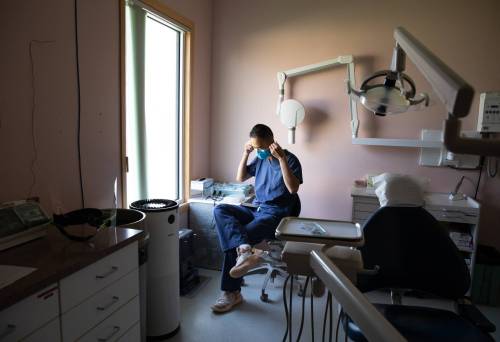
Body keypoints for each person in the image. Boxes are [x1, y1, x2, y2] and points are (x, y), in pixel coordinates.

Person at [211, 124, 303, 313]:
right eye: (255, 147)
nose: (259, 151)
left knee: (237, 236)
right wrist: (246, 154)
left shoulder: (290, 159)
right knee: (221, 210)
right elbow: (240, 177)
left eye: (261, 147)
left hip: (277, 214)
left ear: (272, 141)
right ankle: (245, 250)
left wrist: (282, 159)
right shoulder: (260, 160)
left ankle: (231, 293)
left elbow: (293, 188)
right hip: (257, 208)